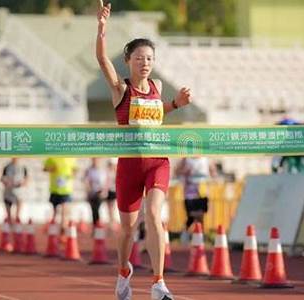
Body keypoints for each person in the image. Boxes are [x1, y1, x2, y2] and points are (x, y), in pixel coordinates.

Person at [96, 2, 191, 299]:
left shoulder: (158, 86)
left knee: (154, 214)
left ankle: (158, 283)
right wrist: (101, 29)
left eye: (149, 58)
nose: (145, 63)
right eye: (139, 58)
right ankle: (124, 271)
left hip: (157, 162)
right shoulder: (120, 90)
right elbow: (101, 59)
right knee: (127, 230)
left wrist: (175, 104)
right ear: (128, 61)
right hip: (129, 167)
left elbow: (158, 110)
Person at [174, 157, 216, 236]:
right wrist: (184, 172)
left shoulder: (206, 158)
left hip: (202, 191)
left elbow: (213, 173)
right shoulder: (186, 159)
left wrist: (211, 176)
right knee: (191, 216)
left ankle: (200, 237)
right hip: (189, 193)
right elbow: (176, 172)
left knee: (200, 216)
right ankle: (185, 236)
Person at [43, 157, 77, 239]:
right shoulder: (52, 157)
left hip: (66, 190)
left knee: (64, 212)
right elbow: (45, 168)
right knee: (55, 212)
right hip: (55, 189)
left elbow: (75, 170)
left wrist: (70, 176)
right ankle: (53, 234)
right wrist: (51, 168)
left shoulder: (71, 158)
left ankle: (63, 233)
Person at [1, 158, 29, 224]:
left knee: (19, 207)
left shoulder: (23, 167)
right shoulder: (7, 167)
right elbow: (2, 178)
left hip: (19, 191)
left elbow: (27, 179)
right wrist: (7, 182)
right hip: (9, 191)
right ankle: (9, 222)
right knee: (8, 211)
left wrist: (22, 183)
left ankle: (17, 221)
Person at [84, 158, 108, 226]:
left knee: (97, 209)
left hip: (99, 192)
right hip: (92, 193)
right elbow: (87, 182)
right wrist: (89, 191)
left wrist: (104, 191)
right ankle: (96, 225)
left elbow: (105, 182)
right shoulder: (89, 170)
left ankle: (98, 224)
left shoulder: (102, 170)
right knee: (93, 210)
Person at [105, 158, 119, 231]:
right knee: (109, 209)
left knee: (112, 208)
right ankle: (111, 223)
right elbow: (106, 183)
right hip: (110, 191)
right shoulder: (108, 173)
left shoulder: (116, 172)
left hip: (114, 191)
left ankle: (112, 223)